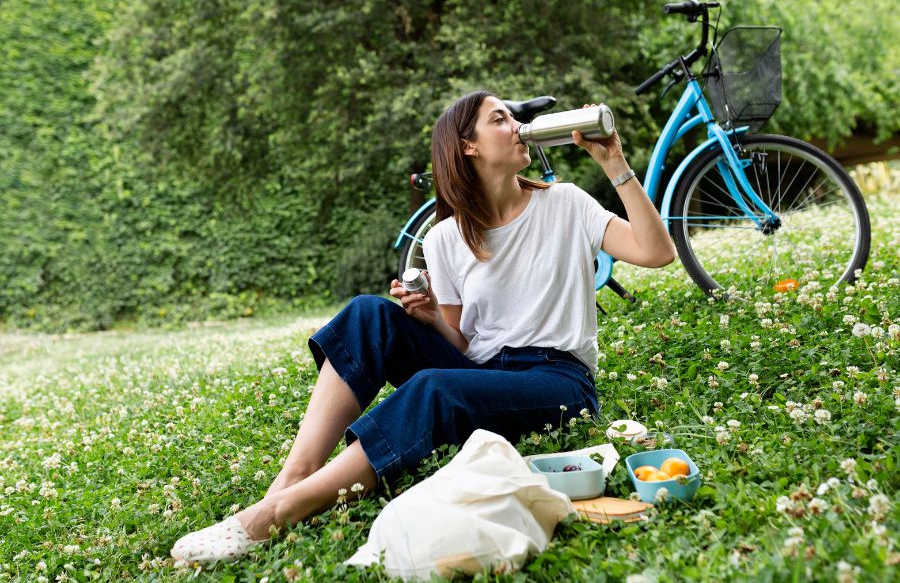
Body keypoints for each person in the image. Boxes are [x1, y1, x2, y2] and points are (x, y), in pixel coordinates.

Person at [170, 90, 675, 564]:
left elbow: (656, 253)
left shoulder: (565, 203)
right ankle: (293, 477)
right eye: (500, 119)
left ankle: (276, 513)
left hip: (558, 381)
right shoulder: (446, 238)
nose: (517, 127)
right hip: (481, 372)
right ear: (467, 147)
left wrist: (614, 163)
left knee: (434, 387)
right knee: (369, 313)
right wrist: (432, 317)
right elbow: (464, 345)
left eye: (513, 118)